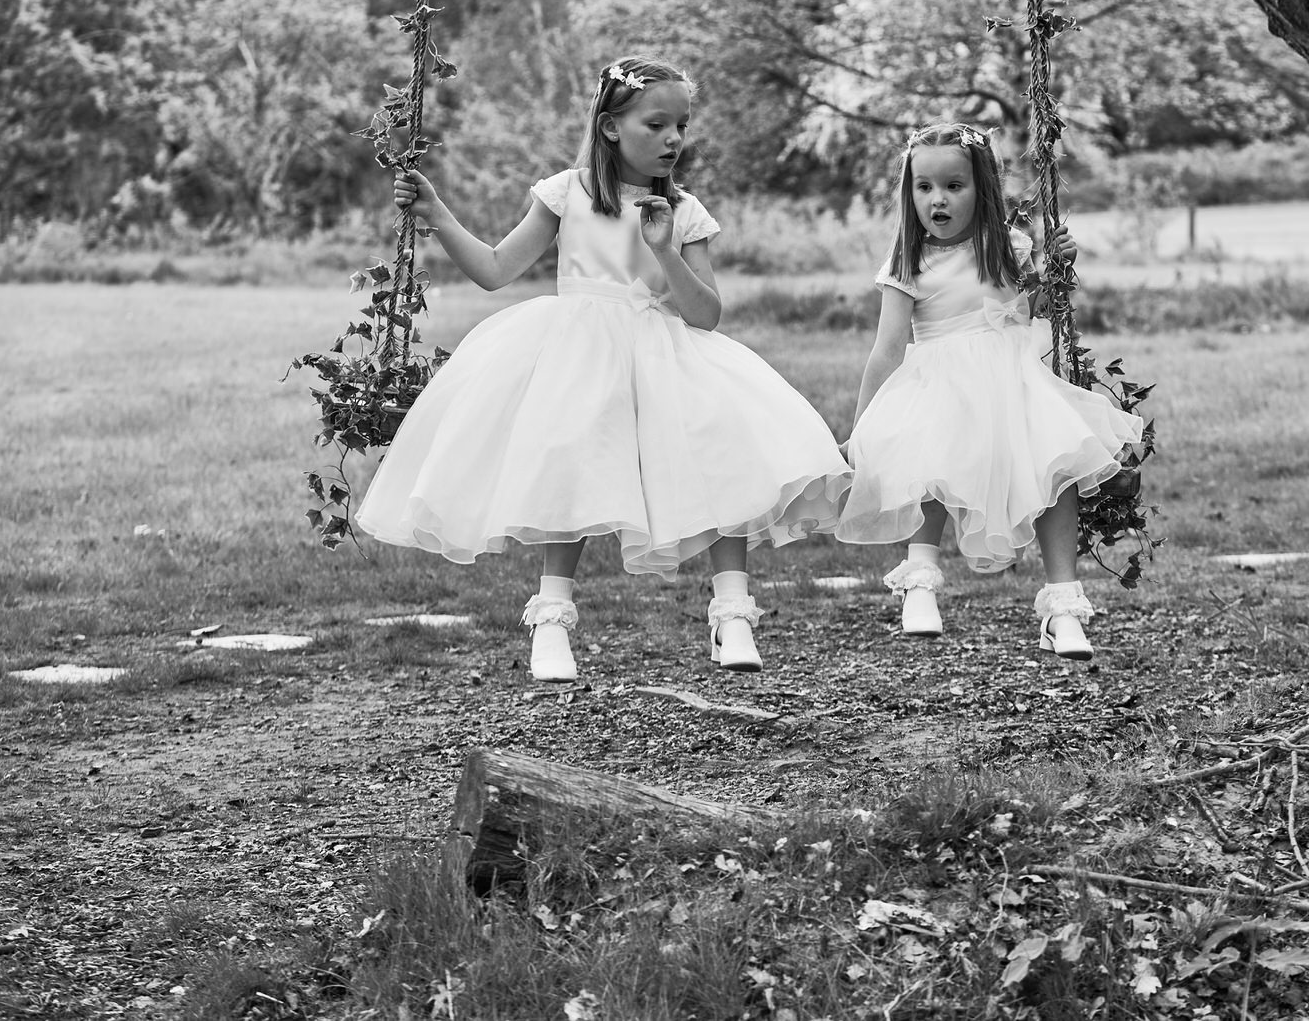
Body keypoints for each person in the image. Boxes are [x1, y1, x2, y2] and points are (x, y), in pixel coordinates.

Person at [357, 56, 851, 681]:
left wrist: (664, 249)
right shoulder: (568, 194)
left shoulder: (685, 211)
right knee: (573, 462)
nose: (674, 138)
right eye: (656, 124)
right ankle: (552, 621)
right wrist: (436, 213)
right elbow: (493, 270)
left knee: (721, 452)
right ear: (612, 127)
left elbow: (706, 314)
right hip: (580, 350)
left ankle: (733, 613)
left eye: (682, 125)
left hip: (666, 351)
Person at [837, 123, 1145, 660]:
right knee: (930, 459)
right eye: (924, 186)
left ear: (981, 187)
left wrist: (1056, 272)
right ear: (909, 193)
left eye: (954, 185)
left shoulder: (1008, 246)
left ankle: (1063, 606)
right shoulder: (909, 262)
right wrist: (863, 430)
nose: (938, 198)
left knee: (1054, 468)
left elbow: (1037, 311)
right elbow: (887, 348)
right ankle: (920, 580)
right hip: (939, 386)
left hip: (1012, 384)